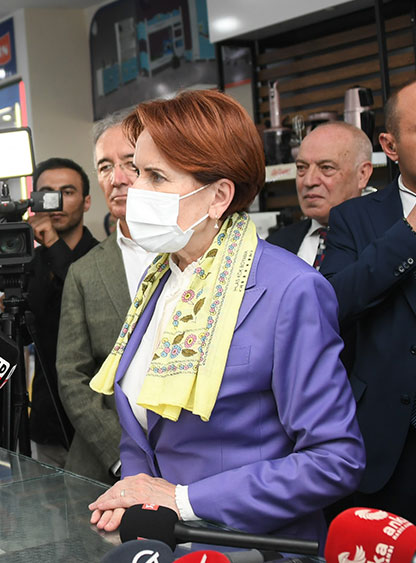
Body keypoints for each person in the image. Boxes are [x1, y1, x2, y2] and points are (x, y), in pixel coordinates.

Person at [86, 89, 365, 543]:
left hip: (250, 546)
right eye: (138, 172)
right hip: (163, 545)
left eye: (156, 177)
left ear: (218, 196)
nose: (132, 189)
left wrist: (184, 501)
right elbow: (142, 432)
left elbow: (334, 459)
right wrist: (136, 497)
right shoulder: (159, 281)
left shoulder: (288, 289)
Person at [320, 79, 416, 522]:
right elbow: (333, 304)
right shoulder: (353, 219)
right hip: (384, 449)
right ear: (390, 145)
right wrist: (410, 232)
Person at [57, 113, 156, 483]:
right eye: (104, 167)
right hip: (104, 470)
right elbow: (71, 376)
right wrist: (123, 455)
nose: (117, 179)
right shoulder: (84, 272)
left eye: (129, 163)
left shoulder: (192, 255)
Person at [22, 157, 98, 468]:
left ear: (87, 201)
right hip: (47, 414)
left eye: (67, 192)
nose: (56, 202)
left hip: (95, 418)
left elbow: (89, 302)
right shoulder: (29, 261)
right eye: (46, 194)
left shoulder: (104, 257)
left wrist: (52, 243)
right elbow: (26, 333)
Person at [268, 122, 373, 268]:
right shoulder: (274, 247)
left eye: (326, 168)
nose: (309, 181)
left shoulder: (388, 243)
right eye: (301, 168)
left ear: (362, 175)